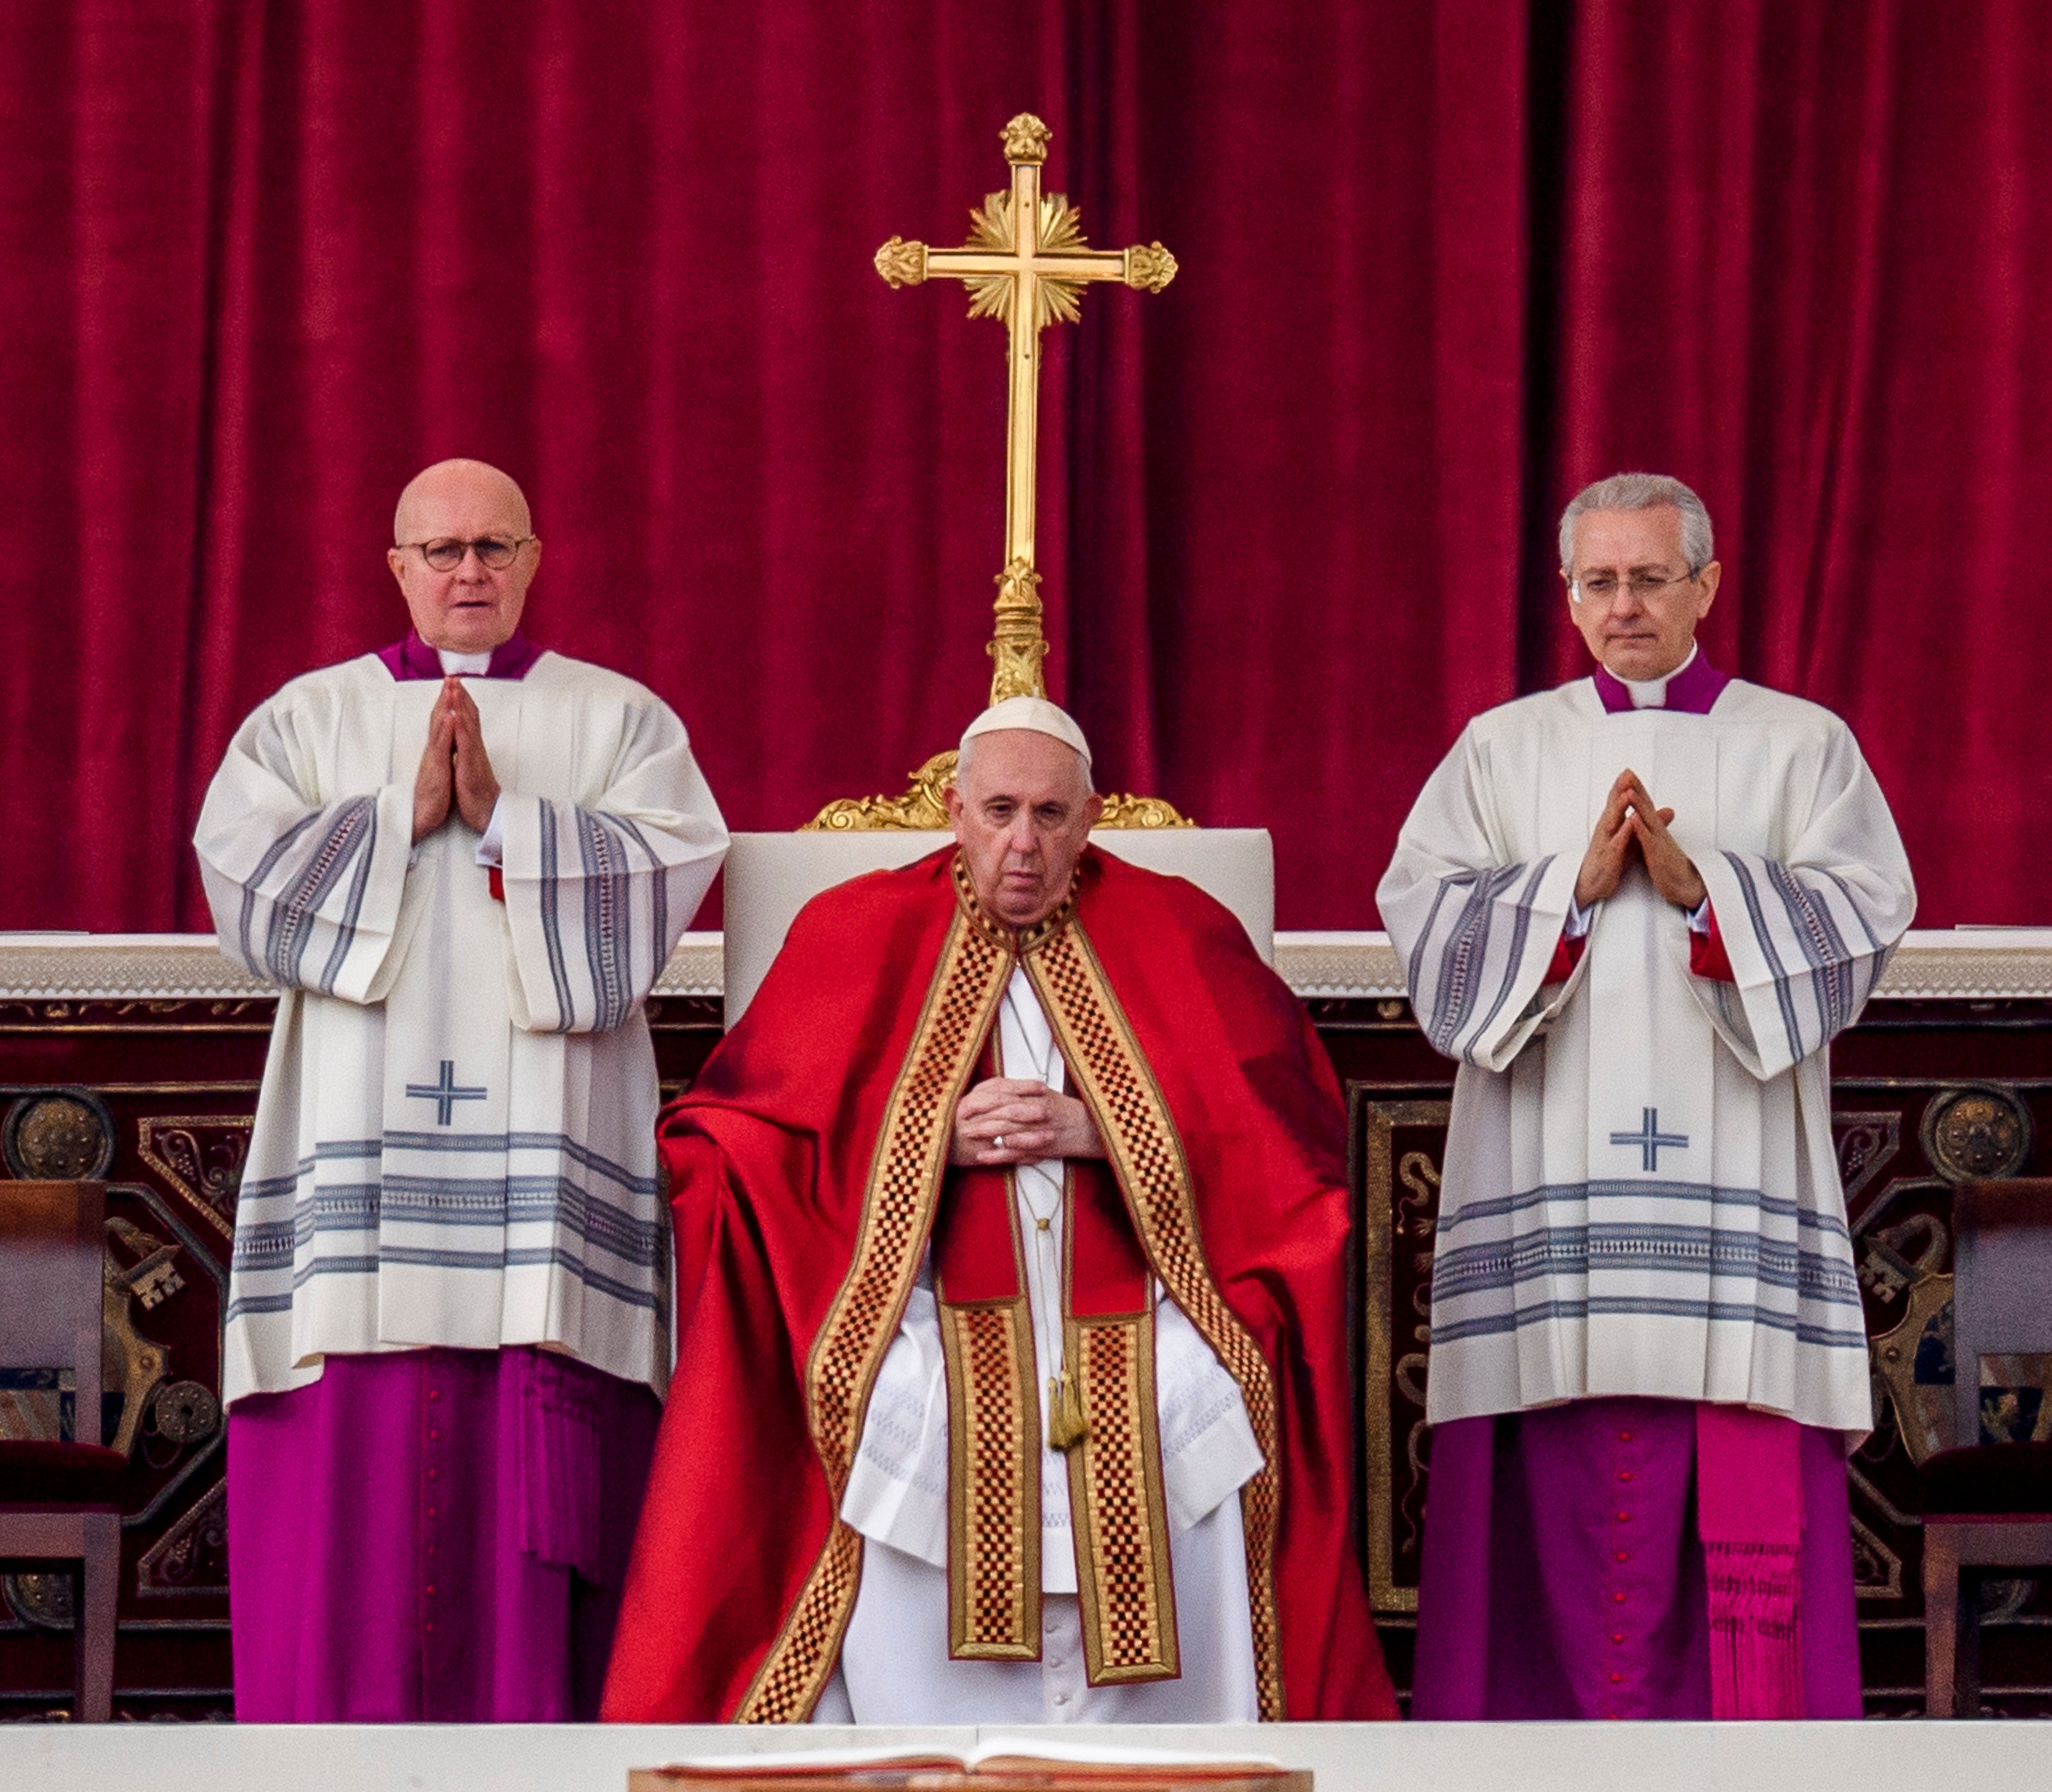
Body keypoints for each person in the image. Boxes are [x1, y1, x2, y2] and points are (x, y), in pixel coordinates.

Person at [606, 697, 1397, 1723]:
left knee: (1188, 1394)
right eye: (999, 811)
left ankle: (1182, 1760)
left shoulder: (1182, 933)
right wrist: (926, 1139)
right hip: (921, 1312)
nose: (1024, 845)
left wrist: (1108, 1134)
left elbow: (1290, 1145)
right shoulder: (854, 932)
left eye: (1053, 816)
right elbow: (727, 1144)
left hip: (1147, 1314)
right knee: (903, 1406)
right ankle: (921, 1760)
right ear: (952, 809)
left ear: (1093, 816)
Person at [196, 458, 728, 1720]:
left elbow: (668, 876)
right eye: (442, 551)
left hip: (542, 1189)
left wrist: (506, 821)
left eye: (494, 547)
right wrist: (398, 814)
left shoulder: (619, 721)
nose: (469, 572)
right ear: (397, 568)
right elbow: (239, 884)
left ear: (536, 560)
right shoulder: (306, 719)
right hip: (360, 1169)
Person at [1378, 472, 1916, 1719]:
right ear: (1569, 597)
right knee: (1545, 1452)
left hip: (1733, 1184)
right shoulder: (1504, 749)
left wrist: (1703, 889)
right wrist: (1564, 893)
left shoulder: (1800, 744)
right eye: (1600, 582)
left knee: (1733, 1437)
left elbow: (1864, 916)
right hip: (1545, 1184)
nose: (1625, 606)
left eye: (1651, 578)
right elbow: (1428, 932)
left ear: (1707, 587)